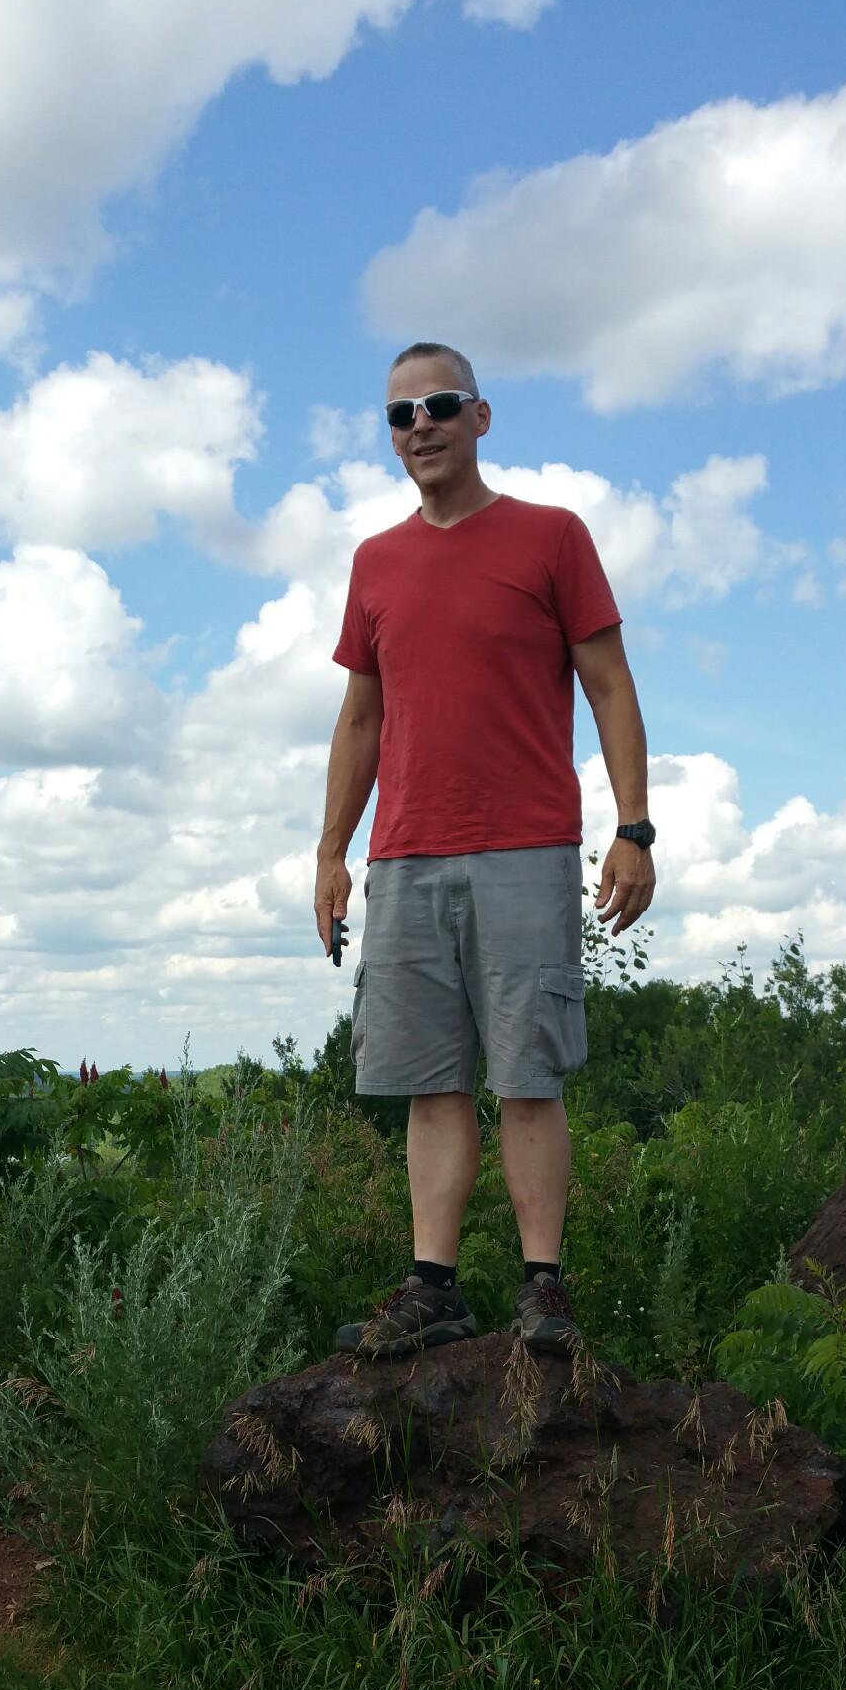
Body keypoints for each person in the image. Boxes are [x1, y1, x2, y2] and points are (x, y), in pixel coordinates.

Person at [313, 341, 654, 1358]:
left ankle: (544, 1289)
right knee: (431, 1081)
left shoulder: (551, 537)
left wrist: (634, 827)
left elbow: (610, 684)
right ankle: (436, 1287)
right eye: (400, 414)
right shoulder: (375, 562)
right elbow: (359, 719)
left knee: (530, 1076)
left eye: (440, 405)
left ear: (482, 416)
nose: (421, 425)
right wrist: (332, 852)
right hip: (405, 854)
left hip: (526, 846)